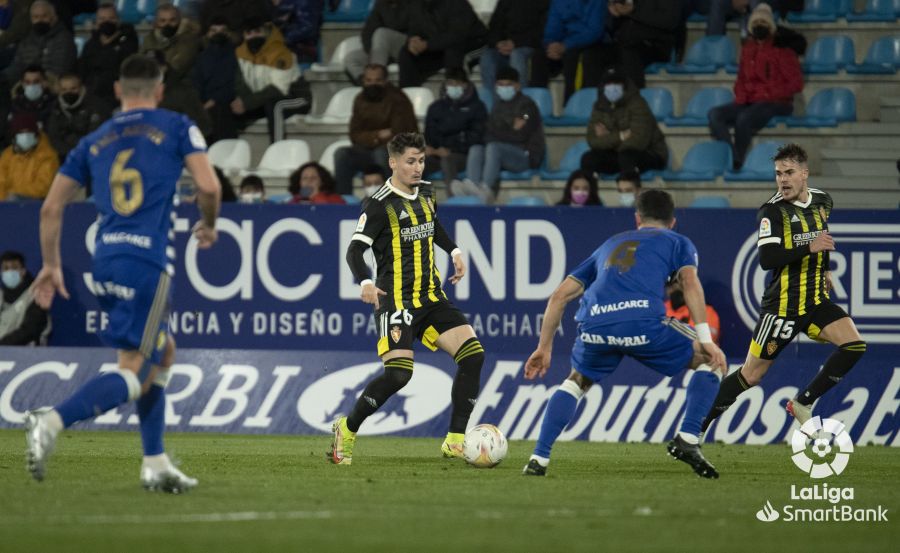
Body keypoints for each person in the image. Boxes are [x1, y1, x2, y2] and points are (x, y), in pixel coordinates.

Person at [25, 54, 222, 493]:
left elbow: (51, 207)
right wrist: (208, 224)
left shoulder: (94, 138)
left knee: (163, 351)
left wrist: (52, 265)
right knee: (136, 369)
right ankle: (52, 420)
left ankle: (155, 463)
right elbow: (208, 186)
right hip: (147, 263)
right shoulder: (175, 125)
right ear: (160, 88)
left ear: (118, 90)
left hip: (107, 259)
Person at [522, 188, 727, 478]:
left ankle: (538, 459)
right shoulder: (677, 241)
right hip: (643, 322)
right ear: (672, 222)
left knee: (575, 381)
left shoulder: (610, 243)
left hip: (594, 326)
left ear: (637, 218)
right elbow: (690, 282)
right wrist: (706, 340)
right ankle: (688, 439)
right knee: (713, 362)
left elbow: (558, 297)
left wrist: (544, 348)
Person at [331, 132, 485, 465]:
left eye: (421, 160)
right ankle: (347, 427)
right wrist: (365, 281)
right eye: (411, 161)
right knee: (400, 374)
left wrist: (455, 250)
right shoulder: (378, 204)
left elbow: (433, 225)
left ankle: (455, 441)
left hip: (431, 296)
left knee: (473, 355)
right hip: (396, 299)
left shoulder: (427, 192)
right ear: (393, 163)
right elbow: (355, 250)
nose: (418, 168)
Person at [700, 143, 865, 435]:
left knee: (854, 345)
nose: (783, 180)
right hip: (782, 308)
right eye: (778, 174)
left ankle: (803, 402)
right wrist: (808, 246)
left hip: (814, 301)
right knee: (751, 375)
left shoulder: (823, 201)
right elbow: (767, 260)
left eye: (789, 173)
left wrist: (824, 267)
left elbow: (821, 236)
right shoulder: (772, 212)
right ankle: (695, 426)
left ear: (805, 173)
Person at [707, 3, 803, 170]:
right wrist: (741, 95)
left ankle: (738, 161)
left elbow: (796, 83)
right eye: (757, 24)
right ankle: (733, 155)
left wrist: (769, 94)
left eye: (764, 24)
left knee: (744, 119)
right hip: (750, 100)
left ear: (771, 26)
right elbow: (741, 79)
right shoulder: (747, 48)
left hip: (776, 102)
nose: (760, 27)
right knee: (715, 115)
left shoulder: (782, 49)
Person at [452, 66, 544, 203]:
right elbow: (487, 134)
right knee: (476, 148)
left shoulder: (527, 106)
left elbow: (521, 136)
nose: (504, 88)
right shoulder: (497, 106)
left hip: (524, 156)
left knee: (494, 147)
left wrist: (498, 133)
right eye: (500, 84)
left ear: (517, 86)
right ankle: (472, 185)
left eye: (508, 85)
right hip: (502, 155)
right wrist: (509, 130)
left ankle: (486, 189)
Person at [334, 63, 418, 195]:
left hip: (396, 155)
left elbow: (399, 134)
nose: (373, 84)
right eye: (369, 80)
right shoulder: (360, 99)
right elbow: (354, 134)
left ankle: (389, 198)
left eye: (377, 80)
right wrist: (377, 135)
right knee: (342, 154)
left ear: (385, 81)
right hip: (367, 150)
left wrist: (369, 137)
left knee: (381, 153)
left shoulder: (398, 99)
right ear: (363, 81)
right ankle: (343, 200)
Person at [580, 68, 668, 178]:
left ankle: (629, 191)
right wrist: (620, 136)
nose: (612, 87)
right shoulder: (599, 106)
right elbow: (592, 140)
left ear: (625, 85)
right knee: (588, 158)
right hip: (618, 154)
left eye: (616, 83)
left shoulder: (638, 104)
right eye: (608, 84)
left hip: (650, 154)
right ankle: (592, 191)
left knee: (627, 157)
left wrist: (608, 138)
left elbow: (638, 141)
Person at [232, 17, 305, 142]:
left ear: (265, 32)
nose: (254, 36)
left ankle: (277, 147)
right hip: (261, 100)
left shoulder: (281, 54)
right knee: (226, 106)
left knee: (276, 106)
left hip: (295, 97)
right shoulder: (240, 54)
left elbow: (278, 89)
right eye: (249, 33)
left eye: (257, 32)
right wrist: (242, 101)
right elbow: (240, 83)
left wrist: (247, 103)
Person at [397, 0, 487, 88]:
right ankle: (408, 95)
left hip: (472, 44)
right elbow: (414, 29)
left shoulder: (456, 3)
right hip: (437, 46)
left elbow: (457, 35)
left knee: (453, 51)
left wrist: (427, 45)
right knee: (406, 53)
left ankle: (456, 91)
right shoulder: (417, 4)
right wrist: (413, 40)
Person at [423, 67, 486, 187]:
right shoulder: (435, 107)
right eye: (450, 83)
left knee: (448, 160)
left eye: (458, 84)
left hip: (464, 155)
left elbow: (476, 136)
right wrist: (432, 149)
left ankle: (454, 200)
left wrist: (450, 150)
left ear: (466, 85)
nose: (453, 87)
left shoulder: (477, 107)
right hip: (437, 155)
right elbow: (430, 133)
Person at [535, 0, 606, 101]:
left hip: (590, 43)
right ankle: (537, 104)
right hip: (562, 44)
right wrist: (551, 45)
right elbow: (553, 26)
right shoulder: (558, 2)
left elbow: (595, 31)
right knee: (538, 56)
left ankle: (572, 103)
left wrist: (566, 45)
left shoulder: (597, 2)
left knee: (574, 56)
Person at [480, 0, 549, 98]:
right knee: (487, 57)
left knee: (517, 55)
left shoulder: (543, 2)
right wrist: (498, 43)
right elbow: (494, 26)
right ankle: (494, 107)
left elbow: (542, 31)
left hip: (529, 45)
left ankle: (520, 103)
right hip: (504, 47)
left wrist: (516, 43)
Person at [78, 2, 139, 111]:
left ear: (118, 20)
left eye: (111, 18)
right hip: (92, 98)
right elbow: (83, 70)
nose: (106, 22)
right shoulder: (90, 44)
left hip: (118, 98)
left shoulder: (129, 42)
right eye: (102, 19)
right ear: (96, 22)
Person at [3, 0, 76, 83]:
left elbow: (59, 70)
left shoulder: (64, 39)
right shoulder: (27, 39)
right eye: (36, 17)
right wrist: (4, 78)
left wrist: (33, 81)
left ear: (54, 17)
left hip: (52, 86)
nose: (40, 20)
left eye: (44, 16)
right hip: (26, 84)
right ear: (31, 19)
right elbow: (17, 66)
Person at [193, 17, 240, 142]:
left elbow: (233, 84)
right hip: (205, 104)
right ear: (207, 34)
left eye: (222, 30)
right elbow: (196, 83)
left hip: (224, 103)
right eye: (214, 30)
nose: (218, 34)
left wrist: (212, 101)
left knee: (218, 110)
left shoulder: (236, 55)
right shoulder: (202, 57)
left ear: (229, 33)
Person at [46, 73, 111, 162]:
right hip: (65, 157)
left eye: (73, 88)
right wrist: (70, 152)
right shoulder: (55, 107)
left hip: (92, 156)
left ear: (81, 88)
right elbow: (53, 136)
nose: (69, 92)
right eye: (64, 89)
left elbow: (96, 136)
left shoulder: (96, 106)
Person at [344, 0, 411, 84]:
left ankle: (378, 82)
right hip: (382, 52)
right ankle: (367, 85)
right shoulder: (381, 4)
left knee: (382, 33)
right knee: (352, 58)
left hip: (406, 48)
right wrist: (373, 51)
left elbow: (399, 24)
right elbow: (367, 33)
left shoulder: (414, 3)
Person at [0, 112, 59, 200]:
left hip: (36, 204)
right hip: (7, 204)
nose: (25, 137)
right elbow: (1, 182)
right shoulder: (7, 155)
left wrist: (15, 195)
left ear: (35, 135)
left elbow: (43, 187)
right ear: (14, 137)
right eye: (21, 133)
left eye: (29, 132)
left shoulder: (47, 156)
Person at [140, 3, 202, 87]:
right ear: (156, 23)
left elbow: (178, 67)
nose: (167, 24)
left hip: (180, 88)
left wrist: (178, 36)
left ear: (180, 21)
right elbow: (141, 64)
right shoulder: (149, 39)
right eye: (163, 21)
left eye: (172, 20)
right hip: (152, 86)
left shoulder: (189, 39)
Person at [0, 250, 50, 345]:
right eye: (5, 268)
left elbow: (31, 330)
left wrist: (2, 345)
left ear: (23, 271)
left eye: (14, 268)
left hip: (25, 355)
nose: (9, 272)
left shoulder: (36, 295)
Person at [666, 280, 721, 344]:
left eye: (679, 286)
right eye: (671, 286)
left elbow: (707, 343)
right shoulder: (659, 310)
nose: (674, 290)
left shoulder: (704, 311)